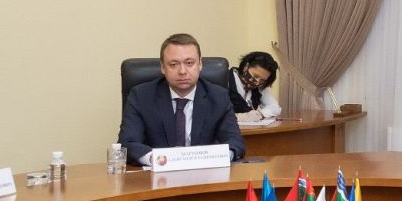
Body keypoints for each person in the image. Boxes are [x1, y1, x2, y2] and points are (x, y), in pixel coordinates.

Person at [118, 33, 246, 165]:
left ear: (200, 64)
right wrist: (157, 159)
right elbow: (127, 143)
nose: (182, 71)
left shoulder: (218, 97)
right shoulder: (141, 96)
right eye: (173, 64)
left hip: (204, 173)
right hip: (156, 173)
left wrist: (217, 157)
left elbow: (235, 142)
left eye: (189, 63)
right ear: (163, 68)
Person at [229, 50, 282, 123]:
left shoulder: (259, 86)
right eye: (255, 76)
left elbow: (275, 108)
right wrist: (239, 117)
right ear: (246, 67)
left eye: (262, 80)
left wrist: (260, 114)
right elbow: (216, 113)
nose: (257, 82)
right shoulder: (225, 79)